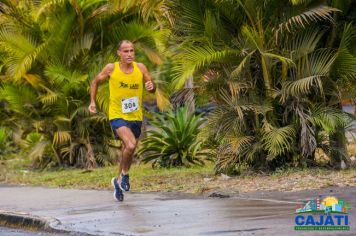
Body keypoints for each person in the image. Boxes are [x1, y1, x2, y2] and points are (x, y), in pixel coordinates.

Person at [88, 40, 156, 201]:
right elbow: (95, 82)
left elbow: (152, 86)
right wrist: (92, 102)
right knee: (131, 144)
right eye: (125, 51)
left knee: (128, 149)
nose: (129, 54)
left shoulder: (140, 68)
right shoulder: (112, 68)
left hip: (136, 116)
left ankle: (118, 181)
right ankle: (125, 175)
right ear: (119, 53)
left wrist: (151, 87)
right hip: (117, 114)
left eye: (132, 50)